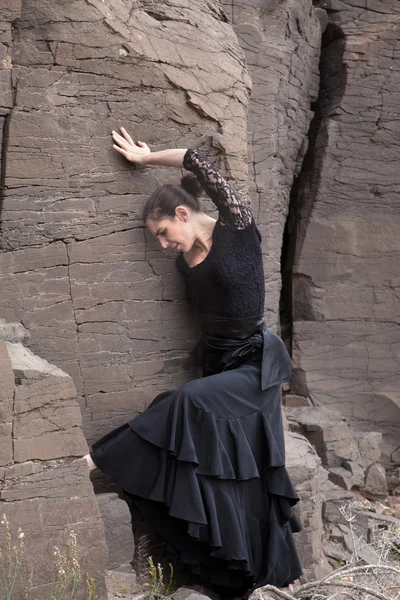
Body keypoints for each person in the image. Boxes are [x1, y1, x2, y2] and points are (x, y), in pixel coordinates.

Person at [85, 128, 302, 597]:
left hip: (255, 368)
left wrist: (145, 161)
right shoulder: (186, 261)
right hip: (220, 367)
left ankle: (98, 458)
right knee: (222, 477)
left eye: (164, 233)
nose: (164, 245)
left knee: (183, 402)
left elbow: (194, 158)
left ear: (182, 213)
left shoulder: (238, 229)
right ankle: (227, 576)